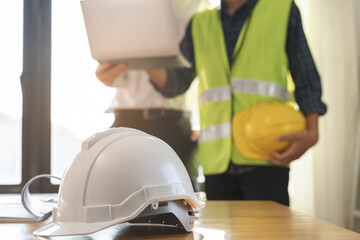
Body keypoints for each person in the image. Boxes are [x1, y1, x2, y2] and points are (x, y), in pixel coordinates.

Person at [146, 0, 327, 206]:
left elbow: (306, 76)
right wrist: (135, 57)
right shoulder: (199, 23)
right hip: (217, 164)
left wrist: (312, 133)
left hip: (266, 154)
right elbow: (175, 83)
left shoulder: (282, 8)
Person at [94, 0, 209, 191]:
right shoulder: (122, 6)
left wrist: (138, 51)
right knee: (117, 195)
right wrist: (105, 74)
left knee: (178, 200)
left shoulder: (193, 7)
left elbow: (176, 83)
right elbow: (110, 74)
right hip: (125, 119)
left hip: (171, 123)